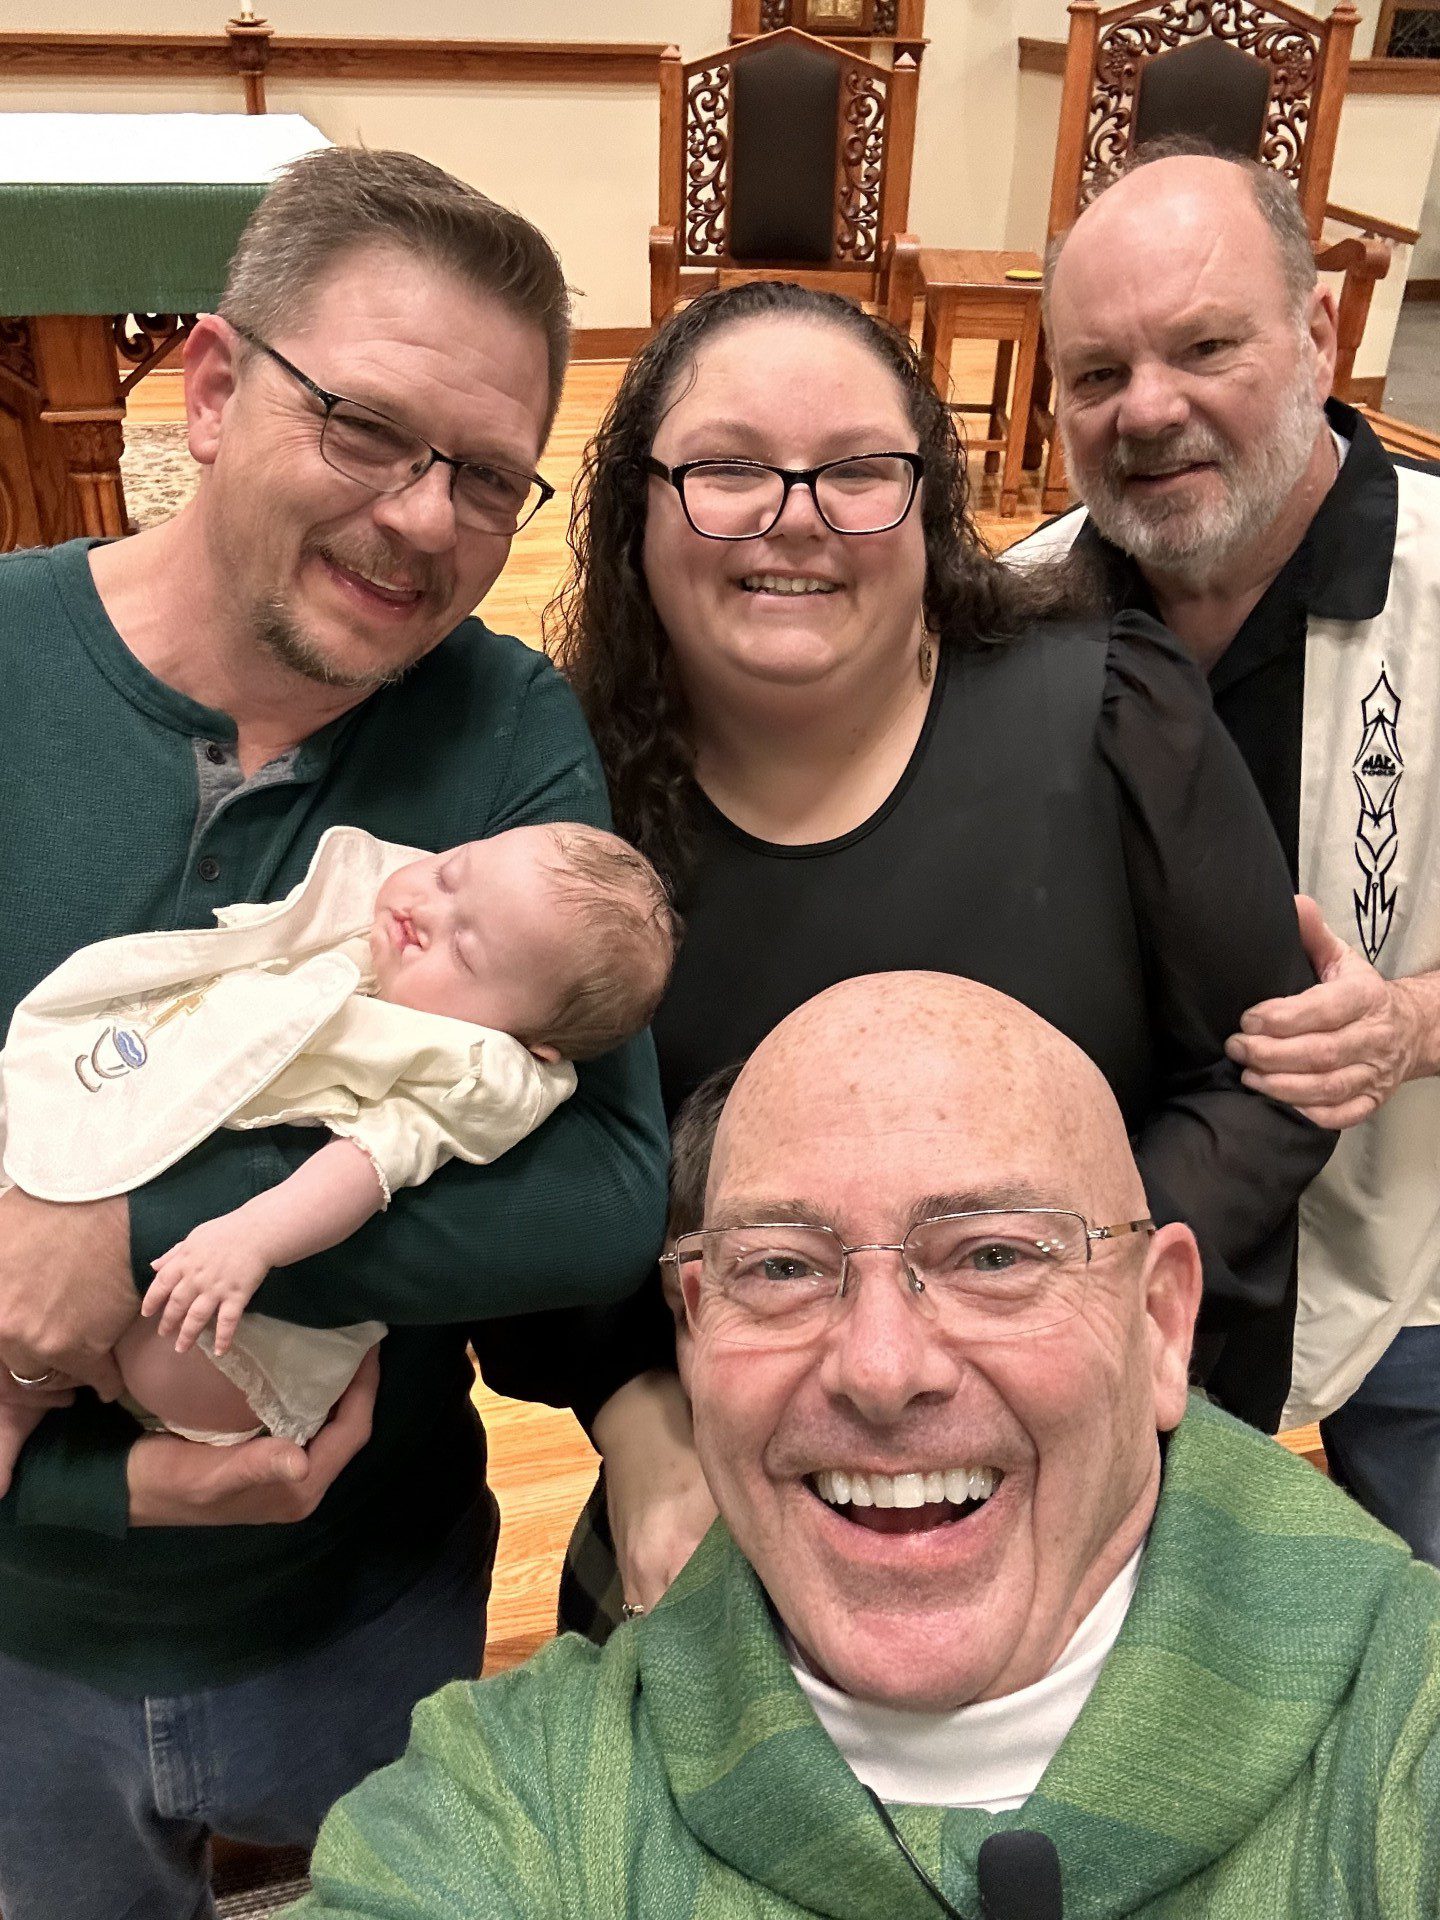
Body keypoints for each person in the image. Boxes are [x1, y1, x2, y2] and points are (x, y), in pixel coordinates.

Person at [0, 147, 668, 1920]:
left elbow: (604, 1190)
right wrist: (87, 1500)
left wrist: (122, 1228)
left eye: (487, 477)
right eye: (366, 429)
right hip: (21, 1643)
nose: (427, 520)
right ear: (214, 390)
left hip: (367, 1612)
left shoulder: (502, 729)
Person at [477, 276, 1333, 1645]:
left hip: (1088, 1474)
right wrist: (631, 1412)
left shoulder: (1109, 708)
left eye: (858, 471)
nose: (797, 516)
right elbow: (507, 1182)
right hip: (731, 1494)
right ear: (637, 507)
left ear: (928, 500)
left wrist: (1029, 1302)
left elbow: (1268, 1078)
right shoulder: (559, 820)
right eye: (729, 469)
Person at [294, 974, 1440, 1920]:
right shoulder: (510, 1803)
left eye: (994, 1255)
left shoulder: (1408, 1727)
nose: (882, 1370)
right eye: (782, 1267)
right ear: (694, 1331)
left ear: (1158, 1323)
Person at [1014, 143, 1440, 1561]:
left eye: (1206, 347)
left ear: (1321, 331)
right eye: (1098, 372)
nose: (1149, 410)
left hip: (1420, 1273)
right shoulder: (1011, 618)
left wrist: (1412, 1024)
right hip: (1125, 1274)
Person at [0, 821, 674, 1479]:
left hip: (248, 1323)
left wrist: (250, 1240)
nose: (426, 913)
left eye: (465, 952)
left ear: (530, 1043)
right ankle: (23, 1388)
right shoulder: (375, 926)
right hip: (149, 1172)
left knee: (163, 1356)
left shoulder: (469, 1068)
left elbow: (364, 1166)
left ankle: (28, 1401)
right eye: (449, 873)